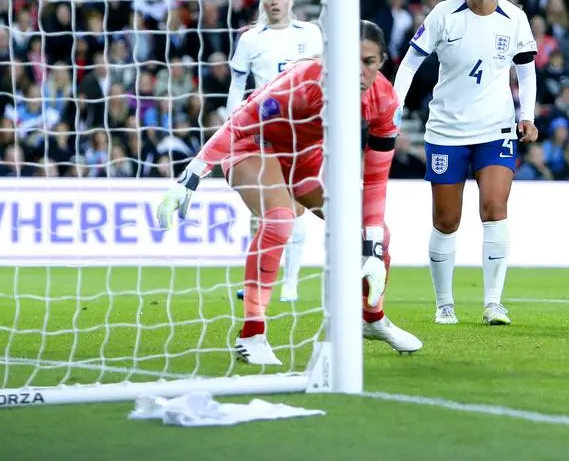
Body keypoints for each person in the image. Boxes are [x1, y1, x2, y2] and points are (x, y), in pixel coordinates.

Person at [158, 21, 421, 366]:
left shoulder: (385, 101)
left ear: (383, 61)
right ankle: (252, 334)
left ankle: (370, 318)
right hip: (253, 146)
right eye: (350, 59)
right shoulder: (302, 82)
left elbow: (374, 181)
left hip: (304, 160)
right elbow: (238, 124)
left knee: (377, 234)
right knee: (280, 218)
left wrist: (371, 248)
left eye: (369, 62)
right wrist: (190, 177)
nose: (359, 71)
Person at [392, 0, 539, 326]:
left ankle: (493, 303)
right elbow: (409, 64)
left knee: (494, 209)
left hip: (496, 129)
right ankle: (444, 304)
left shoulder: (514, 18)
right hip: (447, 131)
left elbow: (526, 73)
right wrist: (393, 108)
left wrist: (526, 115)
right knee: (446, 221)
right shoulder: (444, 14)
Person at [227, 0, 323, 304]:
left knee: (297, 206)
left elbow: (321, 77)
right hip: (262, 132)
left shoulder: (310, 34)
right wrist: (231, 125)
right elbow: (237, 86)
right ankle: (257, 277)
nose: (275, 2)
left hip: (301, 132)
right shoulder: (250, 39)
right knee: (262, 210)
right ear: (262, 1)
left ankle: (291, 282)